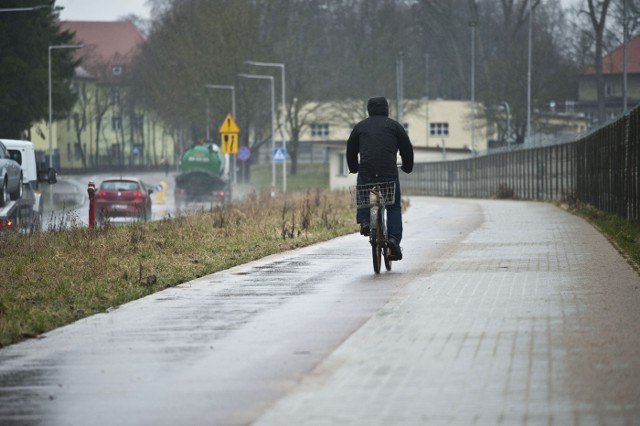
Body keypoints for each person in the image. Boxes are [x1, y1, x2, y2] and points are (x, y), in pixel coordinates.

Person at [346, 96, 414, 260]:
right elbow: (407, 149)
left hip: (367, 171)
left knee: (363, 191)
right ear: (386, 109)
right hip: (388, 173)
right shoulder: (395, 126)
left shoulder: (360, 127)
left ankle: (365, 221)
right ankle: (393, 240)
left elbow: (351, 150)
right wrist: (407, 167)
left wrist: (354, 167)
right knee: (393, 206)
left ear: (368, 110)